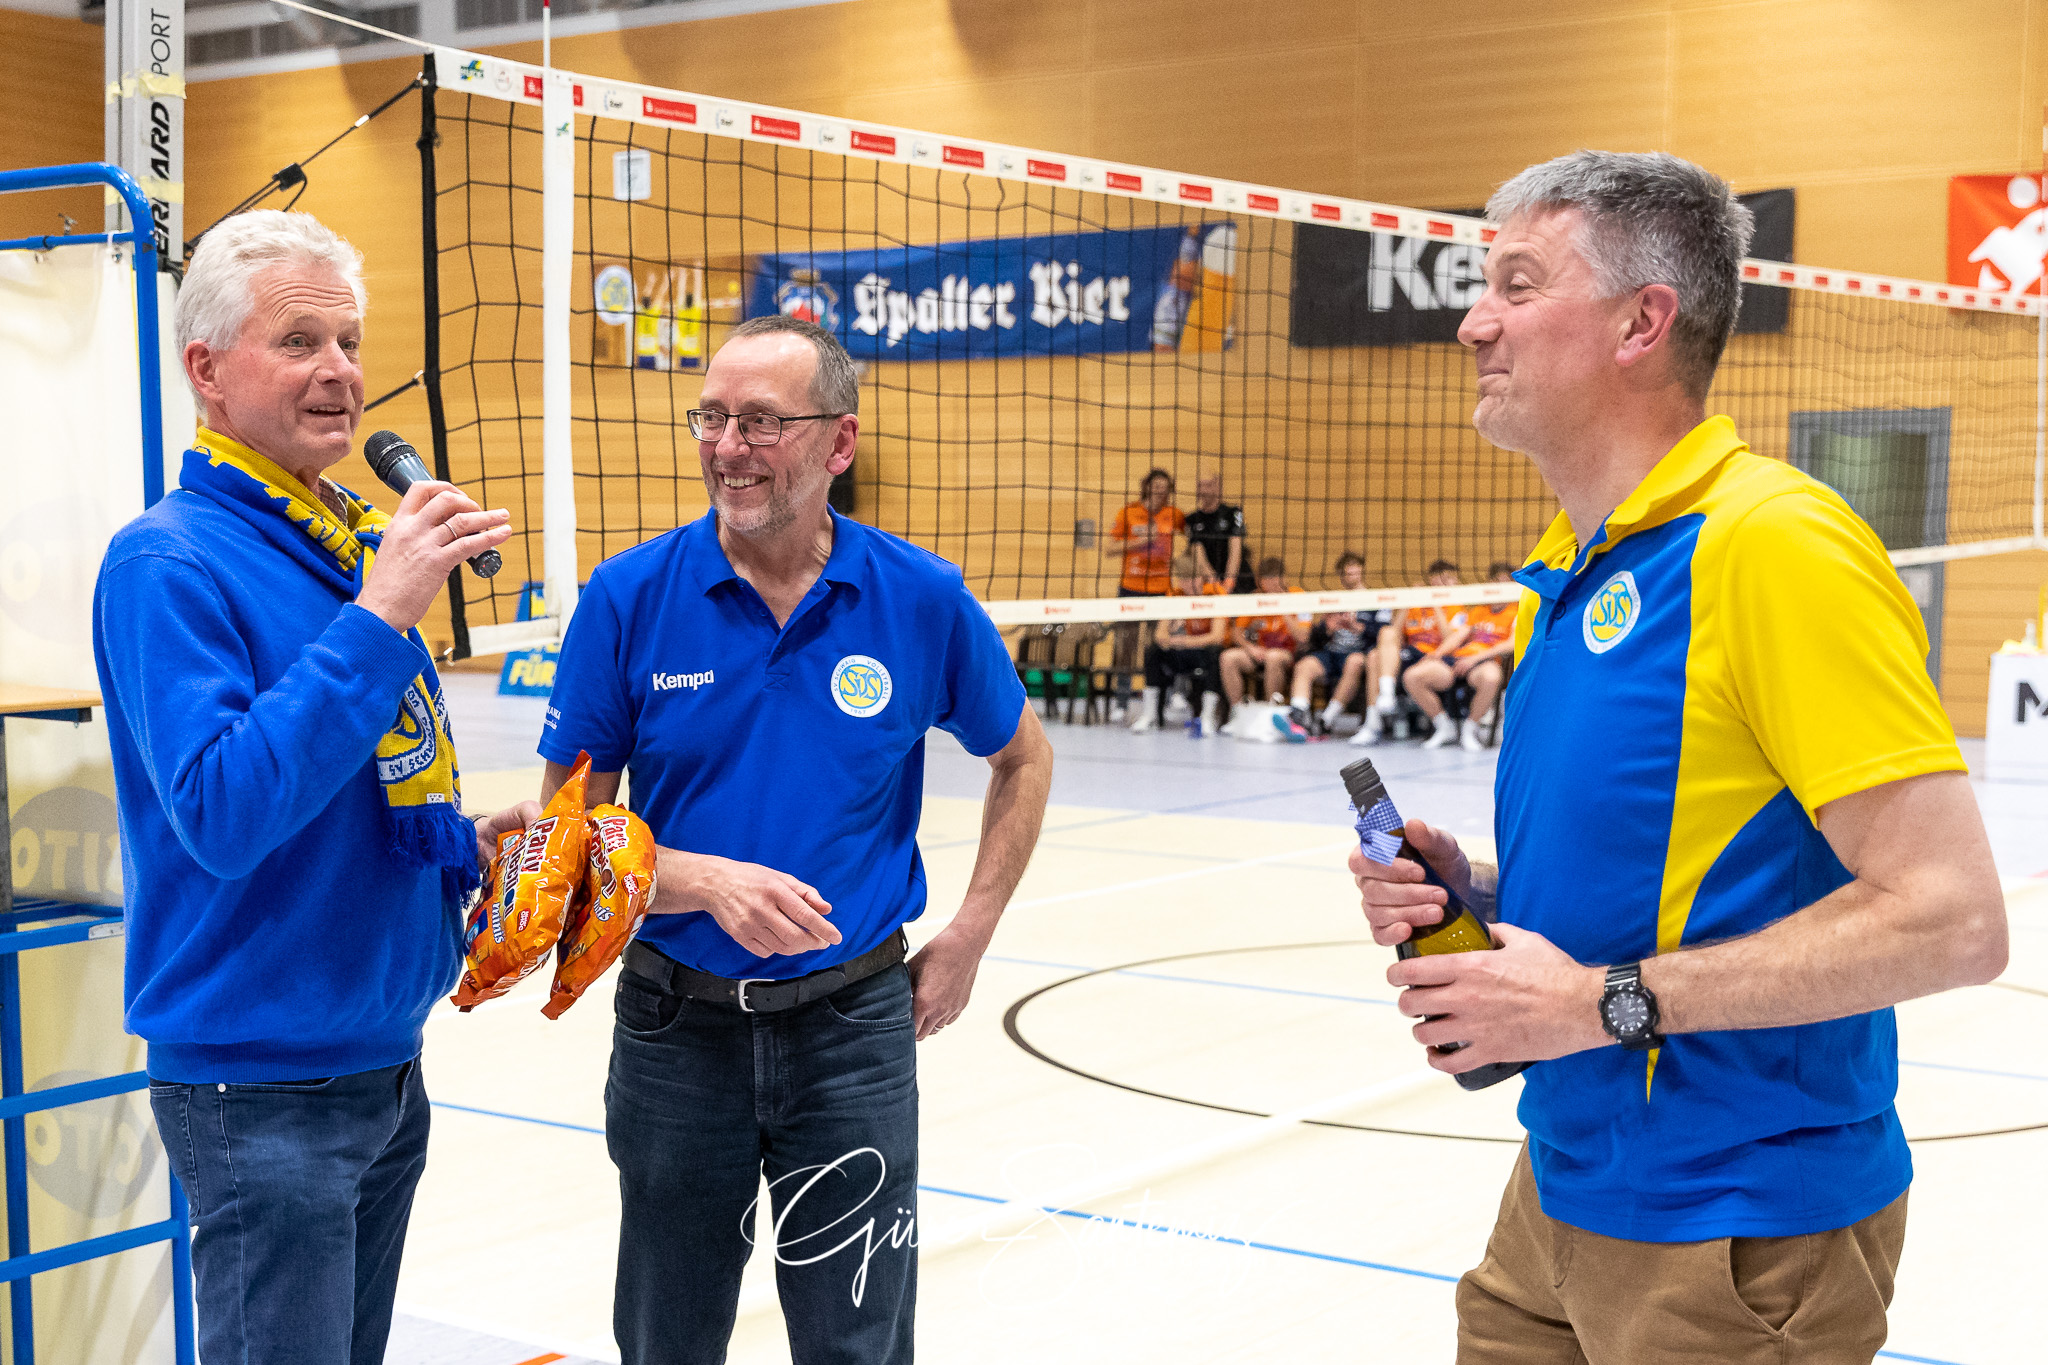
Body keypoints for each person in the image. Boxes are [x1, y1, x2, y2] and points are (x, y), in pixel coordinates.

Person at [1351, 151, 2007, 1362]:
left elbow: (1952, 922)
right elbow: (1692, 874)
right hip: (1560, 1187)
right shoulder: (1567, 572)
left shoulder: (1773, 547)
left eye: (1514, 282)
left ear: (1639, 323)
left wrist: (1596, 1001)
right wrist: (1487, 909)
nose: (1469, 321)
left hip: (1737, 1228)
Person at [537, 314, 1054, 1365]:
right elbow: (565, 830)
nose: (727, 447)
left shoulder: (919, 598)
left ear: (839, 442)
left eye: (761, 421)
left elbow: (1022, 759)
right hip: (675, 1030)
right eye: (712, 418)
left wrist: (970, 930)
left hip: (852, 1036)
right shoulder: (627, 597)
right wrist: (700, 881)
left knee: (855, 1342)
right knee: (667, 1339)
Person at [91, 210, 532, 1365]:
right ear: (207, 371)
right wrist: (383, 614)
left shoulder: (333, 538)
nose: (339, 371)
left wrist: (455, 844)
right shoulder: (166, 563)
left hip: (383, 1060)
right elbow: (226, 814)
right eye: (299, 343)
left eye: (348, 340)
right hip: (263, 1088)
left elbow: (343, 777)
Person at [1103, 467, 1186, 721]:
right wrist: (1140, 542)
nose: (1160, 490)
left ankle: (1169, 696)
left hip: (1161, 589)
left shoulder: (1174, 515)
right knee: (1125, 647)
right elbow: (1109, 548)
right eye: (1156, 485)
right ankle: (1121, 702)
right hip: (1130, 588)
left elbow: (1194, 540)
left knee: (1161, 645)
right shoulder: (1129, 512)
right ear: (1147, 486)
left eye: (1165, 486)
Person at [1132, 552, 1228, 734]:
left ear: (1201, 578)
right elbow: (1160, 633)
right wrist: (1170, 633)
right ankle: (1149, 714)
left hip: (1204, 652)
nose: (1187, 585)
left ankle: (1207, 718)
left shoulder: (1215, 593)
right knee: (1153, 651)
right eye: (1183, 580)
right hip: (1183, 651)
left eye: (1192, 580)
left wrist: (1185, 640)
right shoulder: (1176, 594)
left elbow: (1217, 636)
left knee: (1216, 653)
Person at [1285, 551, 1376, 737]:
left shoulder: (1374, 599)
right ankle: (1298, 716)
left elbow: (1380, 635)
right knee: (1305, 665)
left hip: (1357, 653)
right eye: (1346, 571)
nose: (1350, 573)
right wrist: (1327, 629)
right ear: (1341, 576)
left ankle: (1326, 720)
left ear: (1361, 571)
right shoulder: (1335, 599)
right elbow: (1315, 638)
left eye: (1354, 569)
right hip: (1331, 652)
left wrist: (1357, 628)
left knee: (1355, 662)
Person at [1392, 559, 1470, 749]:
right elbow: (1394, 635)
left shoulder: (1458, 608)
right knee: (1376, 656)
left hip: (1441, 658)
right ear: (1432, 580)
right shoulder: (1417, 607)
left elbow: (1450, 640)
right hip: (1412, 654)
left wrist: (1436, 604)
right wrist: (1408, 602)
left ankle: (1443, 725)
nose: (1448, 583)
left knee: (1413, 677)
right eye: (1443, 579)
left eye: (1451, 579)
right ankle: (1375, 719)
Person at [1442, 561, 1519, 750]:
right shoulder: (1478, 611)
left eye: (1504, 582)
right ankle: (1443, 726)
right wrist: (1437, 654)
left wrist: (1476, 659)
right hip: (1459, 660)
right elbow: (1459, 635)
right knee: (1415, 675)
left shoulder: (1516, 611)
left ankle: (1470, 728)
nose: (1499, 587)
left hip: (1485, 663)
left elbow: (1511, 644)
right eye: (1495, 582)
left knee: (1491, 678)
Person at [1218, 556, 1308, 714]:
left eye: (1274, 578)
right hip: (1260, 652)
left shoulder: (1299, 596)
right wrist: (1250, 648)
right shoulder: (1256, 598)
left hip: (1288, 653)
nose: (1270, 584)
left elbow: (1303, 636)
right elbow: (1236, 633)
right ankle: (1237, 713)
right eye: (1266, 580)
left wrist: (1283, 607)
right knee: (1228, 658)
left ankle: (1271, 712)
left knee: (1273, 657)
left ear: (1282, 578)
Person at [1183, 473, 1250, 593]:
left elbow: (1235, 549)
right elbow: (1197, 551)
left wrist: (1229, 582)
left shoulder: (1234, 513)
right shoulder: (1192, 519)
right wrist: (1213, 580)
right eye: (1200, 486)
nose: (1203, 490)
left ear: (1218, 487)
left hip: (1238, 580)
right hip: (1211, 582)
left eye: (1208, 485)